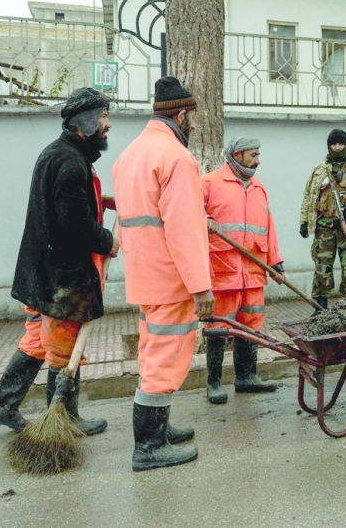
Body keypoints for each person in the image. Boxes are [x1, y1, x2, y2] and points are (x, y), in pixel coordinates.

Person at [0, 88, 116, 436]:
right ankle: (64, 419)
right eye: (103, 116)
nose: (108, 124)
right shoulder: (70, 162)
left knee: (36, 339)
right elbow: (74, 225)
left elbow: (64, 205)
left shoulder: (58, 153)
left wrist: (101, 202)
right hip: (61, 278)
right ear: (86, 122)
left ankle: (3, 406)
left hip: (40, 274)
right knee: (64, 347)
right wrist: (108, 241)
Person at [112, 76, 214, 471]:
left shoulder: (130, 155)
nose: (194, 125)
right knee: (164, 359)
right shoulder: (176, 157)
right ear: (182, 115)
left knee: (152, 352)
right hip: (172, 279)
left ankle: (160, 429)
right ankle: (149, 447)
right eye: (193, 117)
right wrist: (200, 286)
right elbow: (183, 228)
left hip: (144, 275)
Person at [202, 136, 285, 403]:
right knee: (218, 327)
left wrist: (275, 262)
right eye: (253, 155)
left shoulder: (259, 188)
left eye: (258, 154)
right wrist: (204, 219)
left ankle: (246, 377)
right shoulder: (209, 183)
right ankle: (214, 383)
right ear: (237, 156)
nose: (258, 161)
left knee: (251, 325)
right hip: (223, 271)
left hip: (253, 273)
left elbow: (268, 228)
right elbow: (188, 214)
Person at [299, 129, 346, 307]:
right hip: (324, 227)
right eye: (334, 144)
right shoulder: (319, 170)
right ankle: (320, 306)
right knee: (321, 267)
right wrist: (304, 221)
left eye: (341, 144)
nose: (337, 147)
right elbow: (308, 196)